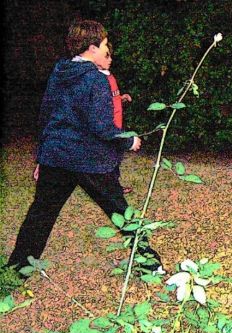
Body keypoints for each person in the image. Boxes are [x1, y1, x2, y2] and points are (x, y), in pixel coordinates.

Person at [4, 20, 161, 282]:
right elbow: (101, 126)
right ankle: (150, 265)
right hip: (90, 162)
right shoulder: (95, 80)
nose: (107, 49)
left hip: (56, 158)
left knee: (40, 214)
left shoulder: (59, 72)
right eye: (104, 45)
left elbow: (46, 115)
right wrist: (128, 140)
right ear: (91, 48)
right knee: (121, 212)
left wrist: (43, 157)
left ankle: (14, 273)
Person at [98, 42, 133, 194]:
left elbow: (112, 97)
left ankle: (114, 185)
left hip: (117, 126)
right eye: (106, 56)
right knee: (108, 159)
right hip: (108, 128)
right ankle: (110, 187)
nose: (110, 59)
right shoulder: (98, 79)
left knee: (116, 158)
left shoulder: (110, 76)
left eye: (110, 56)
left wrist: (121, 98)